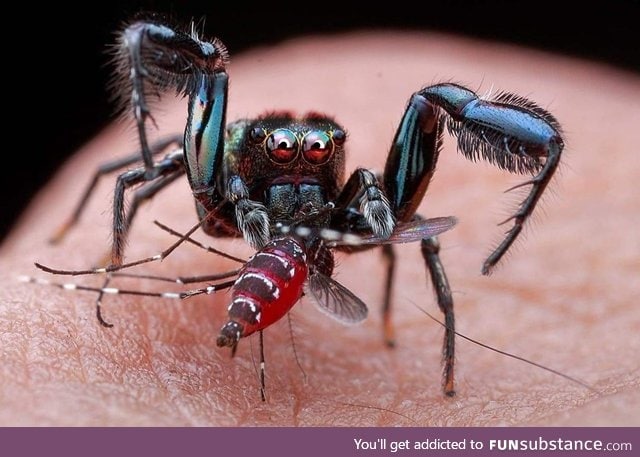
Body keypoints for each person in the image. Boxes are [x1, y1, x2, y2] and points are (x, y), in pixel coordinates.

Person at [1, 31, 638, 426]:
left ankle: (427, 353)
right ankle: (101, 258)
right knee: (138, 169)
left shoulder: (351, 190)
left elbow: (399, 223)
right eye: (284, 156)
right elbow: (128, 178)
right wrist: (113, 257)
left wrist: (383, 228)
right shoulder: (217, 173)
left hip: (324, 222)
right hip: (228, 203)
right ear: (262, 153)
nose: (301, 171)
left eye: (318, 157)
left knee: (432, 114)